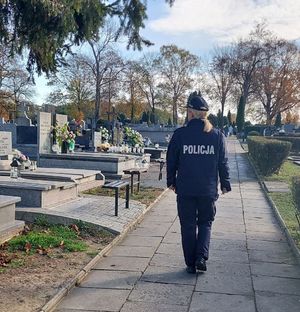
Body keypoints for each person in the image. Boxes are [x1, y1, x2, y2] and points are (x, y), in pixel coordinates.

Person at [166, 92, 231, 274]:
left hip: (185, 189)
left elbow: (171, 160)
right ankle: (201, 257)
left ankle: (190, 263)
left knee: (187, 225)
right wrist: (225, 183)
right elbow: (222, 162)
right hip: (207, 190)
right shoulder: (217, 136)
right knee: (205, 223)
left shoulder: (180, 135)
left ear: (191, 113)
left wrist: (171, 181)